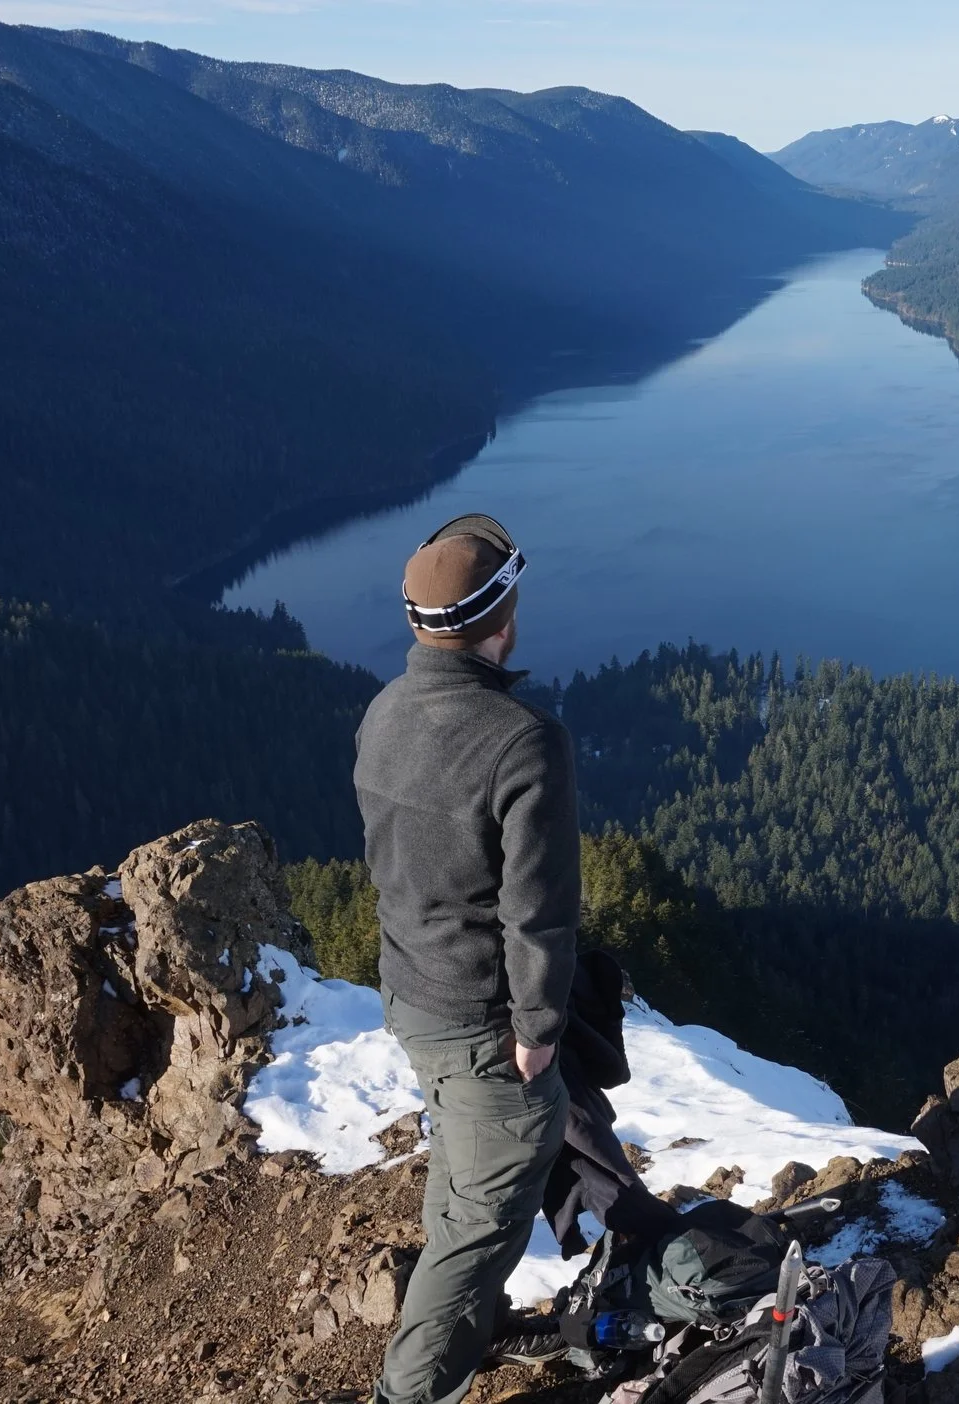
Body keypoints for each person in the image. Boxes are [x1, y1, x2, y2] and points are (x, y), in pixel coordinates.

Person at [352, 513, 576, 1404]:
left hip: (413, 994)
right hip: (485, 1018)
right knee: (485, 1217)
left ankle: (462, 1328)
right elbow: (540, 911)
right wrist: (539, 1029)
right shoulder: (521, 740)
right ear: (504, 619)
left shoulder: (385, 712)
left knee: (462, 1176)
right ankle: (412, 1391)